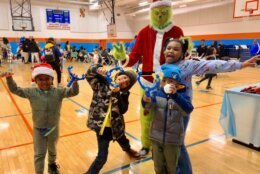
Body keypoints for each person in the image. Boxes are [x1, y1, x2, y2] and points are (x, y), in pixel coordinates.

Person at [162, 37, 260, 174]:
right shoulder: (161, 67)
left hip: (180, 110)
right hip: (164, 110)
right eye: (169, 48)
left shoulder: (187, 65)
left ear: (183, 52)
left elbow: (214, 64)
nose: (171, 51)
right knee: (169, 142)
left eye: (176, 49)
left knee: (178, 143)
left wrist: (240, 65)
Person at [112, 0, 184, 159]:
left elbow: (183, 57)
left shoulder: (177, 31)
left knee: (169, 117)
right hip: (147, 83)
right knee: (146, 117)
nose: (159, 16)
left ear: (169, 11)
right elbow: (135, 56)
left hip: (169, 83)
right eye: (156, 12)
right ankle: (146, 145)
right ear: (151, 13)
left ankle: (165, 147)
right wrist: (123, 57)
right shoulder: (144, 32)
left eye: (163, 12)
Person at [1, 63, 79, 174]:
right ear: (35, 80)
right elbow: (15, 90)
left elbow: (73, 92)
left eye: (47, 79)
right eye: (40, 79)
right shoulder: (31, 93)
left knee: (52, 150)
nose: (44, 82)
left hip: (53, 128)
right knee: (39, 154)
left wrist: (75, 82)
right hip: (39, 129)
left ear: (52, 79)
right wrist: (9, 79)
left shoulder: (58, 92)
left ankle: (52, 165)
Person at [84, 64, 140, 174]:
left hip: (117, 127)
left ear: (127, 86)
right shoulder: (100, 84)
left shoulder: (124, 93)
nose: (123, 81)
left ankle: (128, 149)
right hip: (102, 129)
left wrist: (117, 93)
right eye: (123, 77)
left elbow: (123, 109)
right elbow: (89, 75)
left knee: (123, 140)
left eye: (127, 82)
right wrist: (97, 68)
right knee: (102, 157)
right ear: (117, 75)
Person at [142, 64, 193, 174]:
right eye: (164, 80)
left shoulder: (182, 96)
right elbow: (147, 107)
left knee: (172, 168)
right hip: (156, 138)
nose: (166, 84)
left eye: (171, 81)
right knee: (158, 167)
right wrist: (145, 100)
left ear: (177, 84)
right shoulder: (156, 94)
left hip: (173, 140)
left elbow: (188, 109)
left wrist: (175, 96)